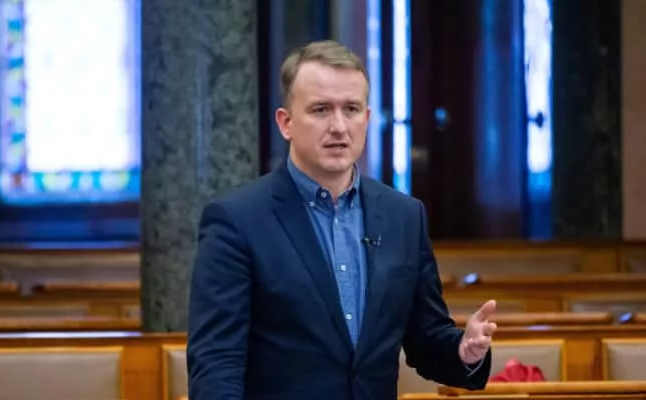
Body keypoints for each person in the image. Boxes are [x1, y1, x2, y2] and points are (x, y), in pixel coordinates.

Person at [187, 40, 497, 400]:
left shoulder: (404, 216)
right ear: (286, 123)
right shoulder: (237, 220)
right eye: (321, 110)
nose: (338, 126)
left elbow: (425, 339)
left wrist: (463, 351)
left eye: (351, 109)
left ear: (367, 118)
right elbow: (216, 363)